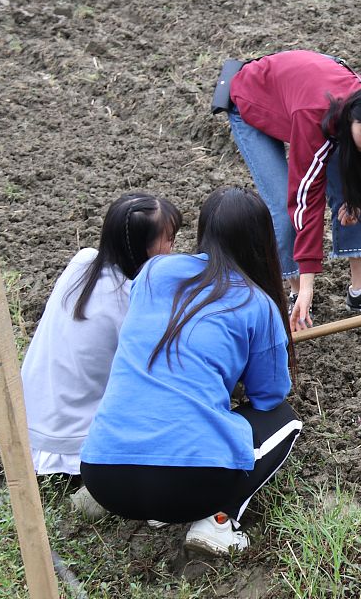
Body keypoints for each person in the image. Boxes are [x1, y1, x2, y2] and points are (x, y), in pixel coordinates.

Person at [80, 187, 301, 557]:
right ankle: (219, 522)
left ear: (204, 231)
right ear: (263, 241)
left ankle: (151, 507)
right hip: (190, 485)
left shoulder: (154, 272)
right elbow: (268, 395)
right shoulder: (258, 303)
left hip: (102, 474)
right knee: (285, 419)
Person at [0, 193, 181, 516]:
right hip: (73, 436)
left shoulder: (83, 262)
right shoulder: (133, 301)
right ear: (139, 249)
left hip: (26, 417)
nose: (173, 249)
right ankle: (99, 491)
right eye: (169, 241)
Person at [225, 50, 361, 331]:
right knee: (285, 213)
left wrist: (356, 195)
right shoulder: (315, 116)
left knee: (356, 196)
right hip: (253, 101)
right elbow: (304, 199)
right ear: (351, 119)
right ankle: (298, 294)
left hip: (300, 97)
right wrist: (309, 279)